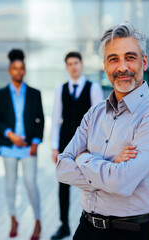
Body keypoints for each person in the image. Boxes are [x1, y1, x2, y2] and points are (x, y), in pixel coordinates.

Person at [56, 22, 149, 240]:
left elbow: (121, 183)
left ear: (144, 62)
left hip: (131, 232)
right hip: (86, 229)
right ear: (105, 66)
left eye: (130, 57)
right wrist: (110, 168)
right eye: (114, 59)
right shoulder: (94, 114)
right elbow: (62, 168)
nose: (122, 67)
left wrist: (84, 158)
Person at [0, 49, 44, 240]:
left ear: (25, 70)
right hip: (9, 146)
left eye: (21, 68)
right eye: (15, 68)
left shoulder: (34, 93)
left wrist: (36, 142)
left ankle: (38, 221)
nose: (18, 71)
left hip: (29, 147)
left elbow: (40, 119)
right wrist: (9, 134)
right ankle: (13, 218)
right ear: (9, 70)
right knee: (10, 184)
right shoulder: (1, 94)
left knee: (31, 183)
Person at [50, 51, 103, 239]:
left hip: (87, 146)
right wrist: (54, 147)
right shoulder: (60, 89)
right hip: (65, 143)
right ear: (67, 67)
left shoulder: (93, 88)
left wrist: (95, 148)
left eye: (76, 63)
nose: (73, 66)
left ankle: (93, 221)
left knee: (90, 183)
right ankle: (64, 224)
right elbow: (56, 119)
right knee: (62, 185)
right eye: (70, 64)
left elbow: (99, 120)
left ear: (82, 64)